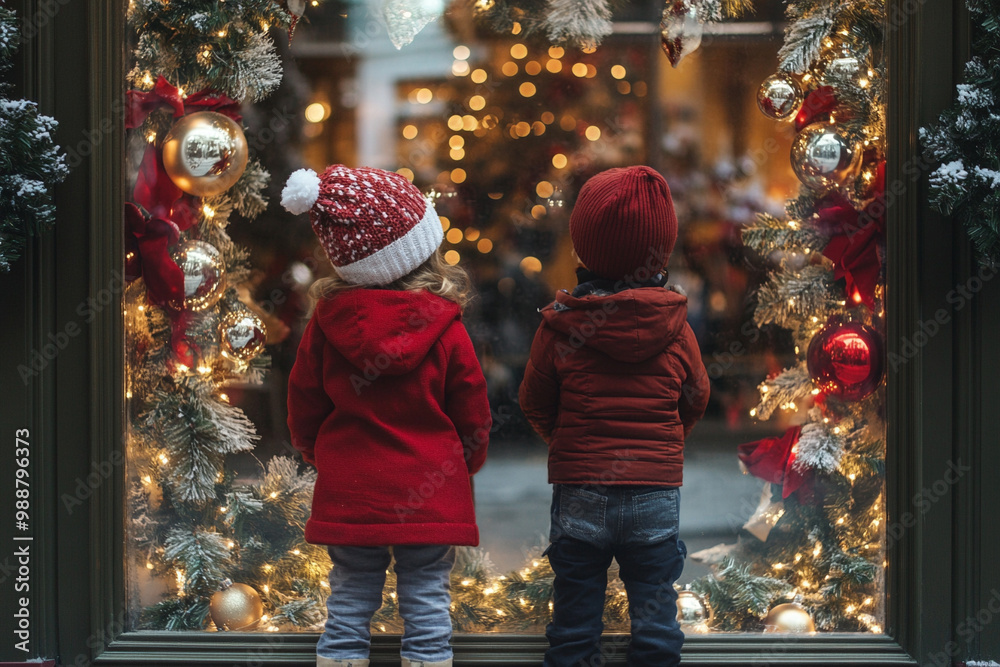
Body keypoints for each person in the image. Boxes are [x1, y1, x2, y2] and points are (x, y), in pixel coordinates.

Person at [283, 165, 492, 667]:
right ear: (421, 251)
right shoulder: (446, 328)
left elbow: (304, 404)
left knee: (349, 602)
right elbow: (473, 411)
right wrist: (464, 464)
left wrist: (319, 456)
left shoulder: (326, 327)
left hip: (352, 490)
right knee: (426, 605)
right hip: (430, 493)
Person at [519, 165, 710, 667]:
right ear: (661, 251)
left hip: (581, 489)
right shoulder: (676, 328)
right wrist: (665, 441)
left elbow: (534, 402)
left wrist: (566, 440)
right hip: (654, 493)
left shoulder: (561, 327)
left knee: (575, 619)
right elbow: (695, 397)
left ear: (583, 247)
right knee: (656, 614)